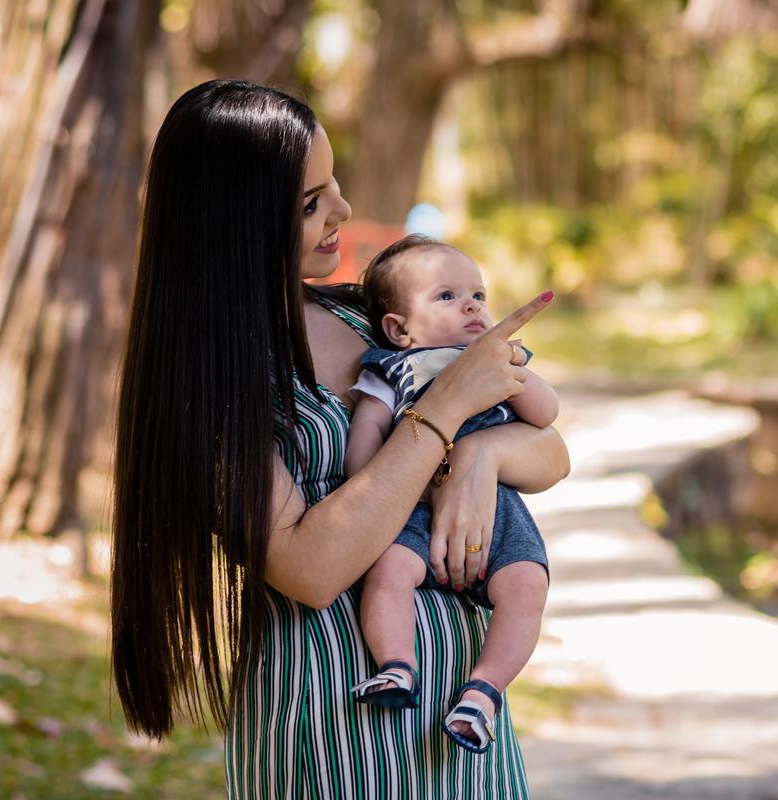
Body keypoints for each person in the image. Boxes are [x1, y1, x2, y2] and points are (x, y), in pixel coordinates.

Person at [109, 79, 569, 798]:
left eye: (334, 184)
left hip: (459, 723)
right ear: (237, 222)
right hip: (331, 725)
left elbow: (550, 451)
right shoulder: (209, 384)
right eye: (310, 203)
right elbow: (309, 567)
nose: (343, 212)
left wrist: (482, 455)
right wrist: (443, 415)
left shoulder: (368, 318)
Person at [343, 234, 557, 754]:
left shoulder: (500, 363)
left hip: (496, 510)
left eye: (478, 296)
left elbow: (545, 417)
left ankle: (483, 692)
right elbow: (365, 440)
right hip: (411, 506)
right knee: (390, 573)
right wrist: (375, 489)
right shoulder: (391, 372)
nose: (471, 305)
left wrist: (510, 366)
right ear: (400, 329)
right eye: (446, 296)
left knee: (527, 586)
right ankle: (396, 666)